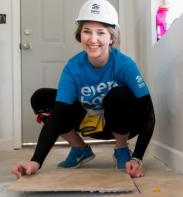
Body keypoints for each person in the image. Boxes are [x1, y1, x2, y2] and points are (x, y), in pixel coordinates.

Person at [11, 0, 155, 179]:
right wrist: (35, 161)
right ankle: (80, 149)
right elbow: (59, 114)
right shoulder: (73, 67)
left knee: (120, 94)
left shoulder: (125, 64)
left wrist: (138, 158)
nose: (93, 39)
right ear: (80, 35)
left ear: (111, 38)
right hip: (88, 123)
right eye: (87, 31)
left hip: (118, 124)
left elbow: (148, 114)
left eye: (100, 32)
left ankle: (121, 148)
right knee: (42, 98)